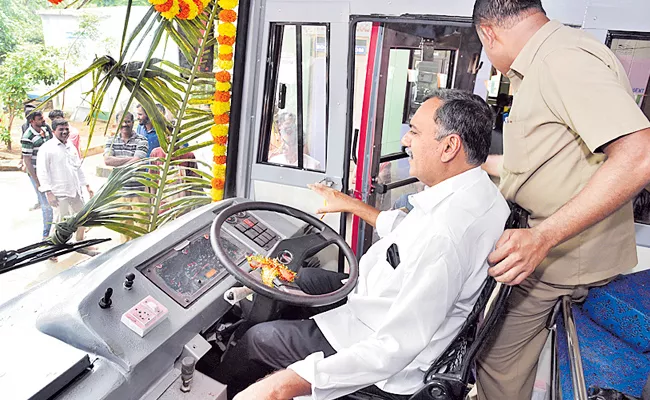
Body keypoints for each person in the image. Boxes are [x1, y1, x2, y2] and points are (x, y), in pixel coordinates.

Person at [212, 89, 511, 400]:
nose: (406, 141)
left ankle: (217, 387)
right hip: (378, 299)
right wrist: (351, 205)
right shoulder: (481, 195)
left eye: (415, 132)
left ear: (450, 146)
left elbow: (393, 348)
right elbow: (407, 234)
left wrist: (284, 385)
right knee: (299, 277)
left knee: (260, 338)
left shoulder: (445, 235)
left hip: (383, 350)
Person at [471, 1, 650, 399]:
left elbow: (640, 155)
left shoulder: (561, 62)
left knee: (492, 357)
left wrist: (543, 237)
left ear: (489, 32)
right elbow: (549, 160)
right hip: (577, 247)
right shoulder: (565, 51)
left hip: (566, 256)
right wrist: (476, 164)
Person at [36, 119, 93, 243]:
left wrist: (87, 185)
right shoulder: (46, 148)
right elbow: (42, 172)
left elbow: (78, 167)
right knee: (60, 222)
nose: (64, 132)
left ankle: (80, 242)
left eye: (66, 129)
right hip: (59, 193)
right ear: (53, 131)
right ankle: (53, 248)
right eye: (61, 129)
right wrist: (49, 193)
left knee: (82, 218)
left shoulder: (70, 146)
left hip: (75, 191)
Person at [104, 111, 149, 243]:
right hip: (120, 192)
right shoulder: (111, 141)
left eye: (128, 121)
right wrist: (132, 159)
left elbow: (137, 161)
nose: (125, 124)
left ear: (132, 123)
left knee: (142, 228)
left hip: (138, 190)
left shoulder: (142, 140)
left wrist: (118, 161)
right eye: (122, 122)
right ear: (117, 124)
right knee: (124, 229)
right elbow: (107, 161)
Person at [21, 110, 54, 240]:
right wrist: (37, 181)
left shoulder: (45, 130)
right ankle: (46, 237)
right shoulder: (27, 137)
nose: (43, 120)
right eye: (40, 119)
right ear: (32, 121)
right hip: (38, 175)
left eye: (42, 117)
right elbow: (27, 160)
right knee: (47, 206)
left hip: (48, 172)